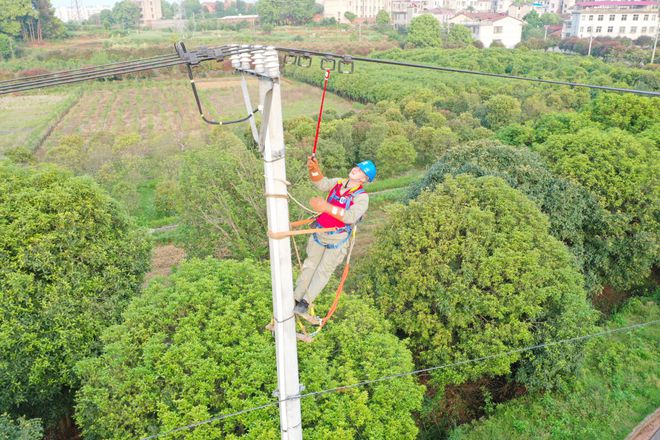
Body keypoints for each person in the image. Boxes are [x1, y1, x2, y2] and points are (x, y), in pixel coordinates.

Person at [293, 157, 377, 315]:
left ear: (364, 179)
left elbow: (350, 216)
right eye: (356, 167)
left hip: (338, 239)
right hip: (320, 232)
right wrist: (313, 169)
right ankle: (296, 298)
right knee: (309, 266)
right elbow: (321, 183)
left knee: (323, 271)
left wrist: (326, 207)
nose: (355, 169)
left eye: (360, 171)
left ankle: (305, 302)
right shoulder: (338, 183)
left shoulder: (362, 197)